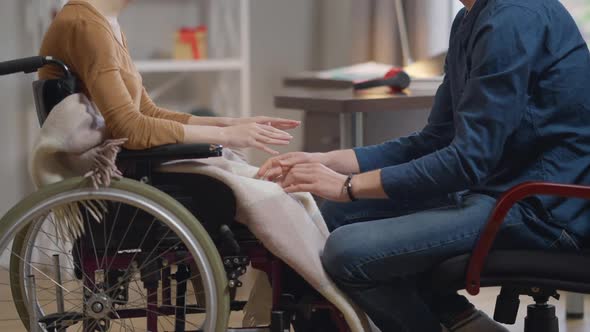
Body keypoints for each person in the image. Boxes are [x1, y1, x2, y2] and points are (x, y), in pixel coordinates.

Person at [258, 0, 590, 331]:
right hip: (497, 189)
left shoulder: (512, 19)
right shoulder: (468, 20)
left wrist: (349, 186)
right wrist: (327, 160)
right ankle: (459, 319)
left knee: (348, 253)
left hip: (540, 209)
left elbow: (468, 161)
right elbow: (434, 139)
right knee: (336, 214)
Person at [39, 0, 300, 154]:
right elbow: (130, 130)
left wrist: (230, 124)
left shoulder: (106, 22)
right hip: (114, 166)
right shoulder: (86, 26)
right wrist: (225, 137)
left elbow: (146, 112)